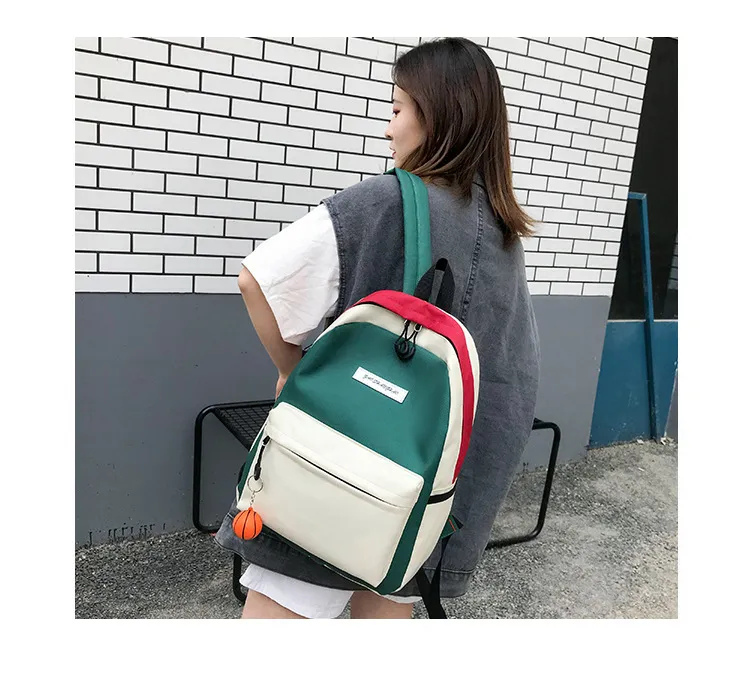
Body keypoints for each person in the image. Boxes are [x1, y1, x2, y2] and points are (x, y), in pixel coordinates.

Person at [214, 37, 541, 619]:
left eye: (396, 109)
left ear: (435, 115)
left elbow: (256, 279)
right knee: (386, 603)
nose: (388, 129)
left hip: (340, 470)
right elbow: (511, 377)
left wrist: (293, 371)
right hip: (423, 493)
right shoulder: (503, 233)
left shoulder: (383, 203)